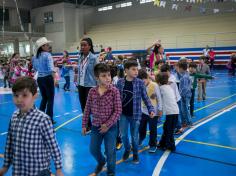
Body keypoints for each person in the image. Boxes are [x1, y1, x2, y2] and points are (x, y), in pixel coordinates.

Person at [0, 77, 63, 176]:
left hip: (39, 171)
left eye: (24, 95)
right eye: (16, 95)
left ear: (35, 96)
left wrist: (58, 169)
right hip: (19, 169)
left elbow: (53, 146)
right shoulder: (14, 117)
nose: (19, 99)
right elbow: (9, 144)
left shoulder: (43, 119)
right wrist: (5, 166)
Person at [82, 63, 122, 176]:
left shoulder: (114, 91)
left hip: (111, 128)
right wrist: (84, 124)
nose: (107, 78)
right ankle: (101, 161)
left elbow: (118, 111)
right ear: (97, 77)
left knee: (110, 151)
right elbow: (87, 109)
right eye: (104, 76)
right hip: (96, 126)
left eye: (109, 75)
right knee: (93, 149)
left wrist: (108, 124)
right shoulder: (92, 92)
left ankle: (111, 171)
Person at [116, 59, 154, 164]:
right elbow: (116, 98)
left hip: (135, 114)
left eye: (137, 69)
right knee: (123, 135)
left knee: (134, 135)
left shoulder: (140, 83)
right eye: (133, 69)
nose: (136, 71)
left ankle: (135, 153)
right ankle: (128, 149)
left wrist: (150, 109)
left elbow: (145, 97)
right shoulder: (119, 82)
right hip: (123, 114)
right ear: (126, 70)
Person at [138, 69, 162, 153]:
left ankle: (152, 144)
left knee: (153, 129)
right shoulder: (139, 86)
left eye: (143, 79)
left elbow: (159, 98)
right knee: (141, 128)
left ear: (147, 77)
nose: (142, 81)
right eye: (140, 80)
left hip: (153, 112)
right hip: (143, 111)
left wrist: (160, 109)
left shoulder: (154, 85)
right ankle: (141, 138)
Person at [32, 37, 56, 124]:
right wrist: (55, 78)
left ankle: (40, 116)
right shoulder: (48, 55)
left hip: (40, 79)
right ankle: (49, 119)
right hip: (48, 78)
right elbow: (51, 68)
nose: (48, 46)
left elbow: (35, 68)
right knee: (50, 99)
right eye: (47, 45)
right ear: (42, 47)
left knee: (44, 98)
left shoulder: (34, 57)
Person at [78, 37, 98, 133]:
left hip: (90, 85)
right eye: (81, 45)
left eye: (84, 45)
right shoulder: (80, 57)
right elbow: (79, 70)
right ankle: (88, 125)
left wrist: (99, 86)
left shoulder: (94, 58)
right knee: (83, 106)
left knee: (92, 106)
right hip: (81, 85)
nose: (82, 47)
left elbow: (97, 72)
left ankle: (97, 123)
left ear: (89, 46)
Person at [156, 72, 179, 152]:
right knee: (166, 127)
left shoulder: (161, 88)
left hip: (171, 112)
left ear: (158, 82)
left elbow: (155, 96)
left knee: (169, 129)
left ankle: (170, 146)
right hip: (175, 111)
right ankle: (162, 143)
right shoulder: (169, 87)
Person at [178, 60, 192, 130]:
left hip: (185, 96)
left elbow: (185, 88)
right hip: (185, 95)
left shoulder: (184, 77)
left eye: (178, 68)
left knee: (185, 109)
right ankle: (186, 122)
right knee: (184, 109)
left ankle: (188, 122)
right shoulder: (185, 75)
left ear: (181, 68)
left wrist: (180, 95)